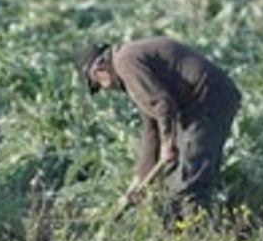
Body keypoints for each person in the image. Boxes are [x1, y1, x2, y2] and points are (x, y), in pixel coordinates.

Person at [80, 37, 241, 225]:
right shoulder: (129, 65)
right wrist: (139, 178)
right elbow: (152, 127)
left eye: (98, 84)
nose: (106, 89)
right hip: (197, 103)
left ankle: (199, 240)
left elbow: (163, 104)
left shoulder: (125, 62)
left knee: (190, 179)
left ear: (100, 70)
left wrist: (167, 144)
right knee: (172, 180)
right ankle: (177, 236)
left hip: (207, 99)